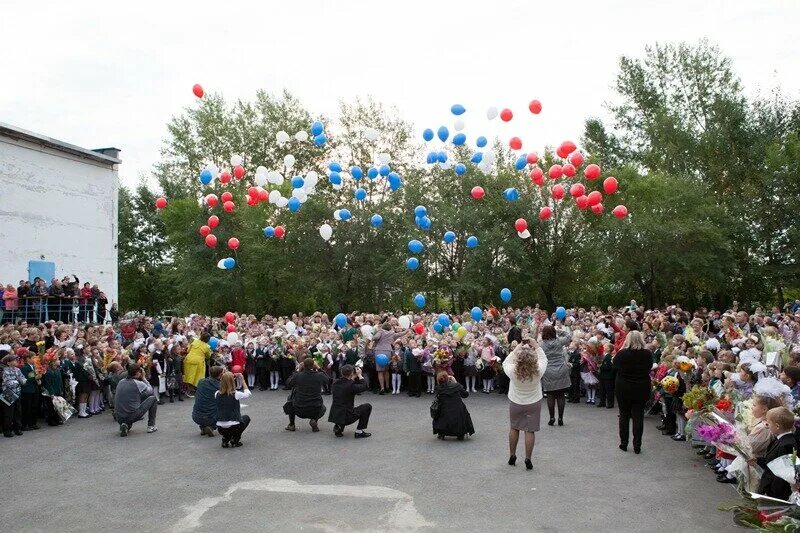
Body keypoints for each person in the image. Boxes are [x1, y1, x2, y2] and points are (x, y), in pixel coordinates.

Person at [503, 342, 548, 470]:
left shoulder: (513, 370)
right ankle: (528, 458)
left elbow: (505, 362)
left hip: (516, 401)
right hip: (533, 402)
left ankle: (512, 455)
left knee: (514, 428)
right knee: (530, 430)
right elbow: (544, 359)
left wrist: (516, 349)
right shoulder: (538, 370)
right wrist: (537, 346)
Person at [613, 331, 653, 454]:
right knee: (638, 416)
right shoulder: (647, 354)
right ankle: (637, 445)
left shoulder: (622, 354)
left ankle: (624, 443)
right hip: (641, 387)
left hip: (624, 387)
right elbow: (650, 367)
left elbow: (615, 365)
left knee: (624, 415)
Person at [754, 407, 798, 500]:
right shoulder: (781, 439)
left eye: (769, 423)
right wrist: (757, 460)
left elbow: (782, 474)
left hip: (774, 492)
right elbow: (772, 461)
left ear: (777, 426)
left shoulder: (787, 445)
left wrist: (770, 494)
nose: (767, 425)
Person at [539, 325, 572, 426]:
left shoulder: (541, 345)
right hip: (561, 369)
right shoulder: (559, 341)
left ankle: (552, 417)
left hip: (548, 370)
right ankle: (560, 418)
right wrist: (560, 331)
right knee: (561, 395)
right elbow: (569, 336)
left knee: (550, 395)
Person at [284, 358, 328, 432]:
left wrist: (297, 370)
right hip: (315, 408)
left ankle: (292, 425)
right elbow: (328, 380)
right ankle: (314, 420)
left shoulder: (298, 375)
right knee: (323, 407)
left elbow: (288, 383)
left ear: (303, 365)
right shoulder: (319, 375)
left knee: (290, 399)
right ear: (313, 366)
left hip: (299, 408)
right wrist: (319, 368)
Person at [328, 364, 372, 438]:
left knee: (343, 407)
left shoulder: (335, 383)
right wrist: (360, 375)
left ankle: (338, 426)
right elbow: (365, 386)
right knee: (367, 407)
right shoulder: (351, 386)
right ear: (352, 373)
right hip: (347, 417)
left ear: (341, 373)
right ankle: (359, 431)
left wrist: (353, 377)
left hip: (335, 416)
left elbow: (346, 382)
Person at [114, 364, 158, 436]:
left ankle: (125, 425)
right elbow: (151, 391)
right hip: (131, 416)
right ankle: (151, 426)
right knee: (153, 398)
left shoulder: (121, 382)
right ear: (137, 373)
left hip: (119, 417)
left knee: (134, 399)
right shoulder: (138, 384)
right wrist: (144, 378)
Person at [432, 370, 474, 441]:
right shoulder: (456, 386)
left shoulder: (438, 388)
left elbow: (438, 398)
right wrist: (455, 382)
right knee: (462, 410)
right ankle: (460, 434)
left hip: (445, 411)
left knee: (439, 412)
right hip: (458, 410)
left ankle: (441, 433)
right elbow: (465, 395)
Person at [215, 371, 251, 448]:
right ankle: (235, 440)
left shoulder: (216, 393)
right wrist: (242, 380)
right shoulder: (236, 394)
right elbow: (248, 393)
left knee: (227, 426)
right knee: (246, 418)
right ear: (232, 381)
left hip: (220, 428)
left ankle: (225, 439)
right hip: (234, 426)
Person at [192, 366, 223, 436]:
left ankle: (203, 426)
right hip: (210, 417)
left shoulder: (201, 382)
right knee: (226, 406)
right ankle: (211, 426)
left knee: (207, 403)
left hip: (195, 416)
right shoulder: (220, 386)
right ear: (220, 375)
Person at [1, 351, 26, 437]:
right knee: (8, 413)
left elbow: (23, 379)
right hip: (8, 393)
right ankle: (7, 430)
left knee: (18, 411)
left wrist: (19, 381)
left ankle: (17, 428)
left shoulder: (18, 369)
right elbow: (8, 383)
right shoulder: (5, 371)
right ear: (8, 362)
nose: (16, 361)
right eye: (14, 360)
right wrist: (18, 381)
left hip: (18, 393)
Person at [183, 332, 212, 397]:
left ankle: (187, 390)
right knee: (196, 377)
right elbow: (208, 356)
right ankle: (189, 391)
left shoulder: (194, 342)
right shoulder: (207, 346)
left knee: (188, 375)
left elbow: (188, 350)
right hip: (198, 362)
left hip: (188, 359)